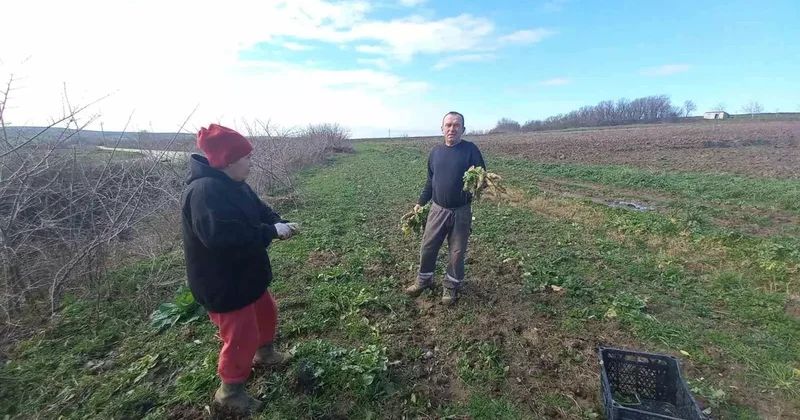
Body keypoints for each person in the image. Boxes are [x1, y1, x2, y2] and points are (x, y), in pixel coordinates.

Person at [181, 123, 295, 413]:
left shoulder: (235, 183)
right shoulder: (204, 192)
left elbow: (261, 210)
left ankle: (265, 354)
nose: (251, 162)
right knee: (240, 336)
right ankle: (230, 393)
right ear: (229, 161)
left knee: (267, 312)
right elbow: (222, 238)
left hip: (246, 275)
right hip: (223, 283)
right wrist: (270, 232)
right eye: (247, 157)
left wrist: (278, 222)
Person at [405, 111, 485, 306]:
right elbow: (430, 181)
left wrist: (478, 180)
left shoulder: (471, 150)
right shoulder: (436, 152)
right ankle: (424, 279)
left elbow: (481, 177)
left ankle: (451, 285)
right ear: (442, 129)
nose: (452, 129)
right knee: (428, 246)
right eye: (448, 125)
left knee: (457, 252)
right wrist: (420, 202)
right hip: (437, 209)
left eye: (456, 125)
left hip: (461, 210)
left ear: (463, 129)